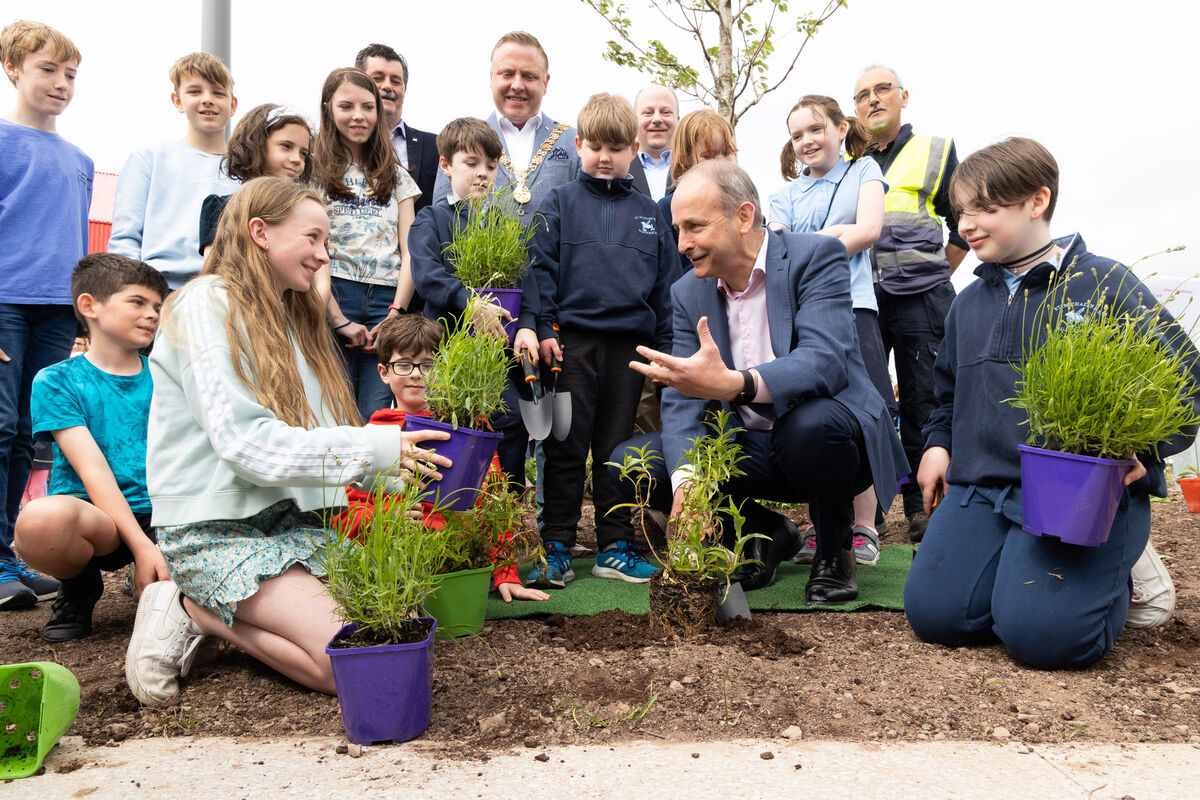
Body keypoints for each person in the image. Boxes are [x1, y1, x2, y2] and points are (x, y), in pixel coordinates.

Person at [123, 177, 451, 706]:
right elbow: (244, 444)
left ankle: (220, 614)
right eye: (313, 238)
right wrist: (376, 447)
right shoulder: (206, 303)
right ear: (260, 232)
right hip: (219, 531)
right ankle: (191, 607)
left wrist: (402, 471)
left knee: (403, 634)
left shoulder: (296, 318)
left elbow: (317, 437)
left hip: (297, 525)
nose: (324, 256)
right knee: (354, 661)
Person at [903, 138, 1195, 668]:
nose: (966, 225)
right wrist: (938, 445)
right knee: (936, 617)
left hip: (1075, 491)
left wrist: (1146, 449)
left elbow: (1185, 381)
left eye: (985, 209)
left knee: (1044, 641)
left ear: (1037, 201)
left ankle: (1118, 569)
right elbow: (944, 395)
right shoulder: (965, 304)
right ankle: (1021, 577)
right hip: (980, 486)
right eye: (960, 211)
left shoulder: (1102, 283)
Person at [612, 160, 907, 603]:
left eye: (694, 226)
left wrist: (736, 384)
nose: (683, 244)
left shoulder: (814, 257)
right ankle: (765, 529)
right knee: (633, 462)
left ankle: (833, 551)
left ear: (744, 217)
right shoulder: (686, 293)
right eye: (678, 229)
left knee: (812, 423)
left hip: (827, 444)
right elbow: (682, 402)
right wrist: (688, 486)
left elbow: (824, 363)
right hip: (748, 446)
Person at [514, 93, 680, 589]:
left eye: (615, 147)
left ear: (633, 149)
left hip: (630, 350)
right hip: (571, 344)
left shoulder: (651, 212)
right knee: (565, 444)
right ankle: (557, 545)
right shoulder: (558, 203)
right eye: (595, 146)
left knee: (617, 449)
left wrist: (665, 352)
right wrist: (543, 328)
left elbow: (665, 289)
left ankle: (615, 545)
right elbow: (539, 272)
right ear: (579, 145)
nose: (605, 157)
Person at [331, 313, 550, 603]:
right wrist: (383, 520)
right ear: (383, 371)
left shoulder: (469, 432)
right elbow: (344, 511)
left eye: (429, 365)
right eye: (404, 364)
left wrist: (505, 574)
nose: (416, 373)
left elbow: (494, 502)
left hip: (460, 565)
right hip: (393, 569)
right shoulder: (370, 437)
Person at [14, 254, 169, 642]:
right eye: (137, 302)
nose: (152, 314)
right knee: (38, 521)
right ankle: (80, 586)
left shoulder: (167, 375)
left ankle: (154, 571)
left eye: (157, 306)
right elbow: (93, 470)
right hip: (97, 520)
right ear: (90, 306)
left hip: (166, 513)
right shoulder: (57, 379)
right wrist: (140, 546)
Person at [767, 94, 891, 567]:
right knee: (812, 418)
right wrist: (834, 236)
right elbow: (777, 248)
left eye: (815, 129)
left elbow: (868, 230)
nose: (806, 141)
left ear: (841, 129)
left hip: (853, 309)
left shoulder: (864, 173)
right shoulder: (784, 194)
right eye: (797, 135)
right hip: (801, 318)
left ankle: (862, 527)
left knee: (862, 411)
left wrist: (813, 243)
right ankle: (823, 526)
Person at [0, 20, 93, 608]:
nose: (61, 83)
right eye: (47, 69)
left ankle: (8, 557)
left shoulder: (80, 157)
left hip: (57, 311)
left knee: (26, 438)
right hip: (5, 303)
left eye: (70, 75)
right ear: (13, 69)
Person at [854, 64, 967, 541]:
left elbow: (964, 223)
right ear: (854, 110)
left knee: (925, 399)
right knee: (868, 403)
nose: (873, 99)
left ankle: (923, 509)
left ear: (904, 96)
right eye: (863, 95)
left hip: (923, 299)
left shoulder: (935, 151)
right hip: (864, 301)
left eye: (883, 90)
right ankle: (868, 511)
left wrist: (938, 272)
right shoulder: (847, 159)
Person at [408, 117, 536, 491]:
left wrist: (527, 323)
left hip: (500, 351)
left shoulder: (506, 226)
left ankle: (506, 506)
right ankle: (450, 509)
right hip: (449, 349)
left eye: (491, 166)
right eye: (471, 163)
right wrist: (471, 303)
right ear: (446, 165)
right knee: (456, 423)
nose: (482, 174)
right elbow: (427, 276)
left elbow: (529, 283)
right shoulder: (431, 220)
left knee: (510, 419)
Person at [313, 68, 422, 423]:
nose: (358, 116)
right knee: (334, 409)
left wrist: (395, 314)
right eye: (346, 106)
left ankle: (370, 482)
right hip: (335, 296)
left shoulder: (397, 174)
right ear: (329, 108)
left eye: (367, 107)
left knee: (375, 412)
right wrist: (337, 318)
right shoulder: (315, 171)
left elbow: (410, 252)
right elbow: (315, 253)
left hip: (386, 301)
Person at [108, 52, 238, 290]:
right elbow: (125, 238)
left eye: (218, 92)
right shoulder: (149, 159)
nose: (207, 99)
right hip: (160, 289)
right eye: (195, 91)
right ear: (177, 100)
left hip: (227, 291)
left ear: (232, 105)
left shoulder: (246, 169)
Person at [431, 31, 580, 225]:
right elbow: (443, 216)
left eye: (529, 76)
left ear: (545, 82)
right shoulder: (461, 140)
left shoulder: (575, 142)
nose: (517, 85)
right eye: (507, 74)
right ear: (492, 78)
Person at [198, 103, 313, 255]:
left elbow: (319, 271)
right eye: (286, 146)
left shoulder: (305, 212)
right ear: (257, 145)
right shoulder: (220, 209)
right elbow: (212, 270)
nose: (297, 159)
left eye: (303, 153)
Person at [354, 43, 440, 214]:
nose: (387, 86)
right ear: (358, 83)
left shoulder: (436, 146)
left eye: (395, 81)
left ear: (404, 90)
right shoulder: (337, 147)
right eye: (377, 78)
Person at [657, 109, 738, 247]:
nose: (719, 162)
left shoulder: (741, 200)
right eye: (707, 156)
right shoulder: (667, 208)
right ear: (686, 159)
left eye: (726, 153)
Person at [629, 85, 678, 201]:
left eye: (666, 112)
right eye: (648, 112)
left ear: (678, 120)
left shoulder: (693, 169)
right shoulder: (617, 170)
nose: (657, 119)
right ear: (634, 120)